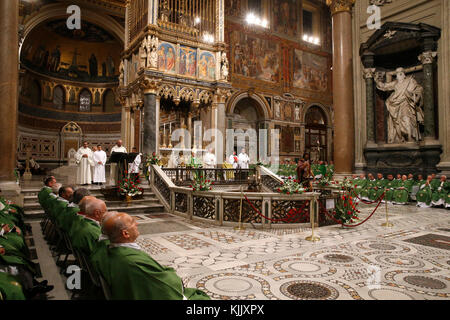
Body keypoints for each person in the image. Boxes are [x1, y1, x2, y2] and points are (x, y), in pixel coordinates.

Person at [91, 212, 210, 300]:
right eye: (132, 222)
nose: (136, 223)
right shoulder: (133, 262)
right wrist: (171, 275)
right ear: (125, 233)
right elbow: (167, 286)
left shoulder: (116, 251)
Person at [375, 67, 424, 143]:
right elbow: (384, 86)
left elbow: (419, 89)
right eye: (398, 73)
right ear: (396, 76)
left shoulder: (410, 81)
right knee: (397, 123)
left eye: (401, 72)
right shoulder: (395, 83)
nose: (400, 73)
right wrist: (377, 80)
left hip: (407, 104)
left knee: (406, 119)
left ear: (404, 74)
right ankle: (400, 138)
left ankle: (410, 137)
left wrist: (416, 98)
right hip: (395, 106)